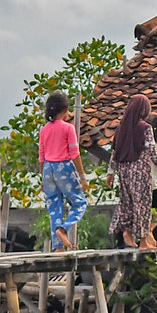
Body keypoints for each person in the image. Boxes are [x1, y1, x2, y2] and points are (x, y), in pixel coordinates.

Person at [38, 91, 88, 250]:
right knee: (80, 203)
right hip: (63, 167)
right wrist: (82, 176)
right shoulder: (68, 128)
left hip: (48, 169)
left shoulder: (44, 130)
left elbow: (42, 156)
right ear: (66, 110)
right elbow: (75, 154)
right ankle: (63, 228)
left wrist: (42, 180)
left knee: (55, 208)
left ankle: (58, 247)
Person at [108, 93, 157, 250]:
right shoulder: (146, 128)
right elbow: (151, 149)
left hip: (124, 171)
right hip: (140, 171)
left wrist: (110, 172)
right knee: (142, 204)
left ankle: (127, 232)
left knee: (127, 203)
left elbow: (115, 152)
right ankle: (143, 242)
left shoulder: (121, 129)